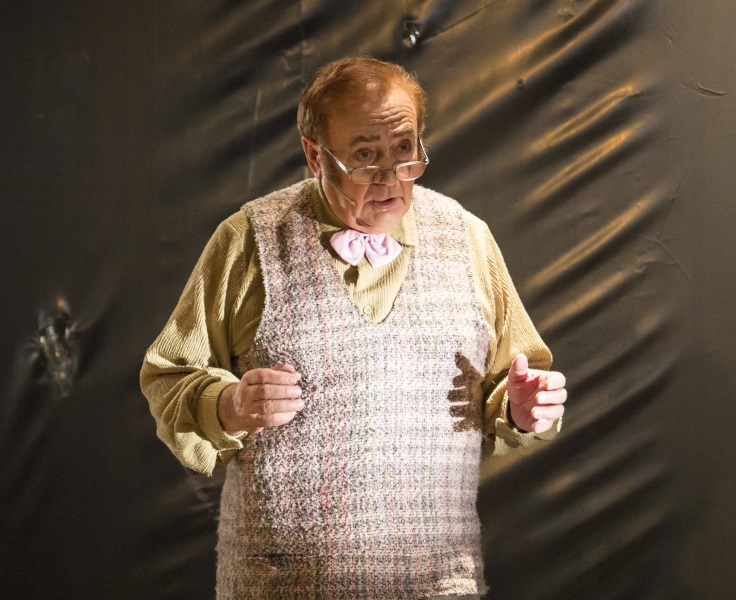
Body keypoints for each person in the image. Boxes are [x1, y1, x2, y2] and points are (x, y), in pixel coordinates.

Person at [141, 56, 567, 600]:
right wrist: (230, 406)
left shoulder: (467, 239)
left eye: (405, 150)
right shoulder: (250, 239)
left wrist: (520, 407)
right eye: (365, 156)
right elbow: (169, 377)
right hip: (281, 588)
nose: (390, 177)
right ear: (314, 155)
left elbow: (504, 388)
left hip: (437, 586)